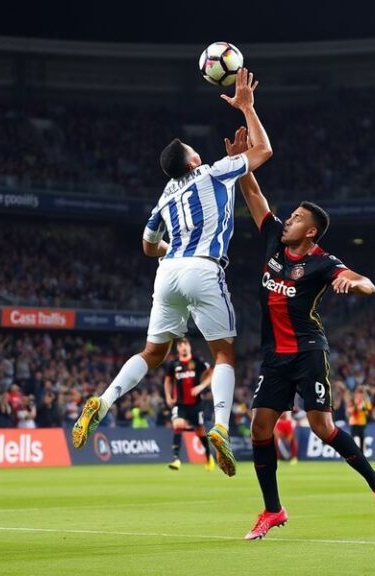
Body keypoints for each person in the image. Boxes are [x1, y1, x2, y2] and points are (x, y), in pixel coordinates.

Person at [72, 67, 273, 477]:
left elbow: (147, 246)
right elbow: (264, 151)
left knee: (154, 352)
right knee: (223, 352)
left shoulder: (164, 195)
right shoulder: (213, 171)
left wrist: (171, 251)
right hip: (203, 268)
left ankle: (105, 400)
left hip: (168, 273)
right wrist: (248, 110)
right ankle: (218, 427)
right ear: (193, 160)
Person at [229, 128, 375, 539]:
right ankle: (273, 510)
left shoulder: (323, 262)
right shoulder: (273, 239)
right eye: (290, 216)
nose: (288, 220)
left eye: (297, 219)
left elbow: (366, 282)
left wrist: (355, 285)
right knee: (259, 428)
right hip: (275, 355)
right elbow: (252, 193)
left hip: (307, 350)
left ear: (310, 232)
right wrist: (240, 160)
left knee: (323, 427)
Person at [164, 338, 215, 471]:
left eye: (185, 344)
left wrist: (201, 386)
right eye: (181, 345)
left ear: (189, 346)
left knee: (199, 430)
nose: (183, 347)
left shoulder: (197, 361)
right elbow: (168, 381)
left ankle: (209, 456)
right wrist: (168, 396)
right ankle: (176, 459)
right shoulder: (173, 364)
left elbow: (211, 372)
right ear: (178, 349)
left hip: (195, 404)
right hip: (180, 404)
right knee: (178, 424)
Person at [347, 387, 372, 452]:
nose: (360, 396)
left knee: (361, 439)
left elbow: (368, 413)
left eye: (362, 394)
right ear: (356, 394)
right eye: (359, 394)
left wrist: (363, 408)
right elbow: (350, 411)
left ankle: (361, 454)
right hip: (354, 423)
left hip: (362, 423)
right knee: (354, 439)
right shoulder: (352, 401)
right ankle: (352, 453)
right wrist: (356, 406)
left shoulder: (366, 403)